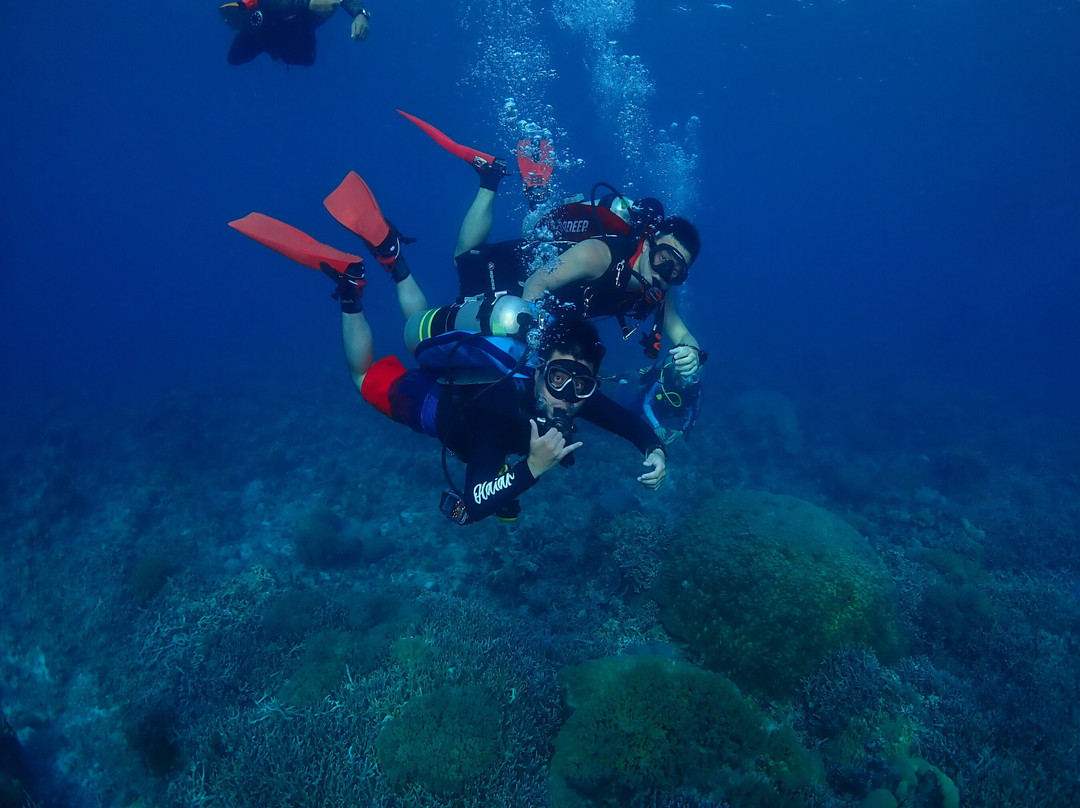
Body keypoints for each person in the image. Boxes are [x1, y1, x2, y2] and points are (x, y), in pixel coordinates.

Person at [228, 173, 668, 525]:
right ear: (538, 369)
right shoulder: (500, 409)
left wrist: (654, 449)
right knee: (363, 379)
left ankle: (393, 259)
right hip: (430, 404)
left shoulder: (567, 393)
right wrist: (531, 468)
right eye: (558, 379)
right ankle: (351, 290)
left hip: (457, 364)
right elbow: (475, 503)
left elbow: (625, 422)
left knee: (418, 327)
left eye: (580, 384)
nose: (567, 396)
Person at [396, 111, 707, 380]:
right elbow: (537, 282)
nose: (665, 272)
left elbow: (681, 334)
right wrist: (530, 341)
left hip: (554, 275)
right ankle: (490, 177)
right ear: (649, 243)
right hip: (522, 268)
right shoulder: (600, 255)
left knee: (537, 230)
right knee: (463, 259)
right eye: (664, 258)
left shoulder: (658, 290)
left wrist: (692, 352)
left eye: (677, 272)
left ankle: (538, 198)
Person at [219, 0, 370, 67]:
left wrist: (361, 14)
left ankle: (279, 50)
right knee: (234, 58)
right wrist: (307, 5)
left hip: (296, 32)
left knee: (306, 59)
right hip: (263, 24)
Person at [617, 358, 704, 447]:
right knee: (626, 413)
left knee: (656, 435)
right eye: (686, 376)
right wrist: (656, 425)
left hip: (664, 409)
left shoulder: (695, 391)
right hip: (653, 400)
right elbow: (647, 404)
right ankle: (623, 381)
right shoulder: (665, 380)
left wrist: (682, 431)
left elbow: (693, 414)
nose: (688, 381)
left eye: (693, 378)